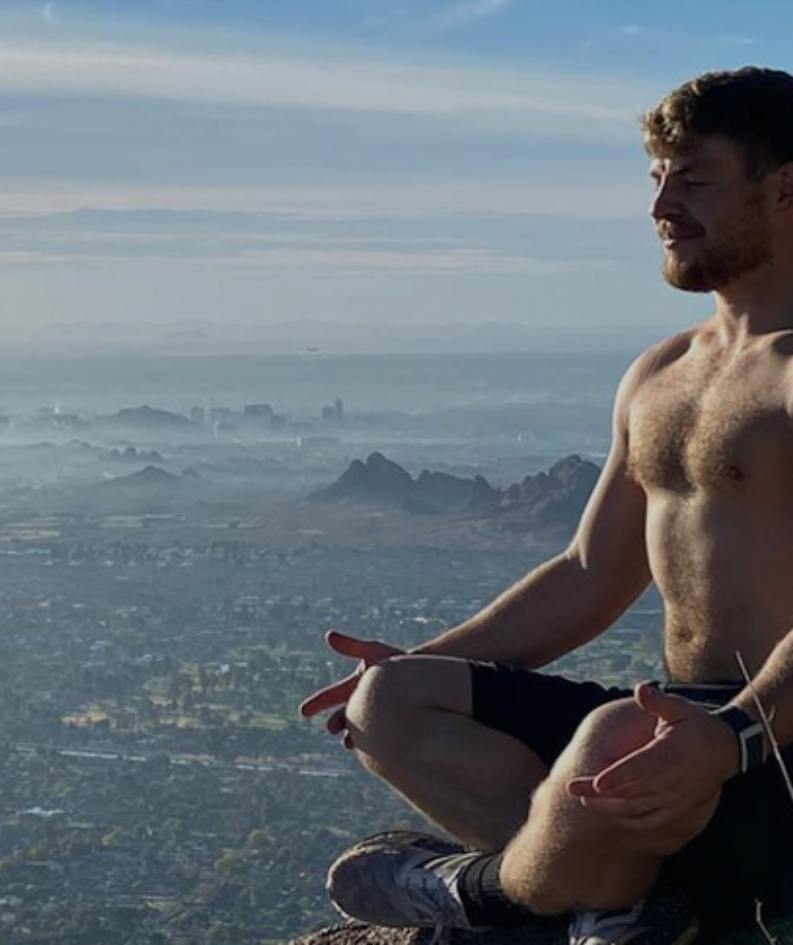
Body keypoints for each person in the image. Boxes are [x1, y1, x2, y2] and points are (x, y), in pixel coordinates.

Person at [298, 67, 793, 945]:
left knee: (613, 734)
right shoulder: (663, 372)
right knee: (391, 704)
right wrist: (413, 665)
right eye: (657, 179)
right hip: (681, 730)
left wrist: (732, 737)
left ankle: (475, 892)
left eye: (693, 179)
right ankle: (628, 903)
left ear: (784, 186)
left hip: (771, 743)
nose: (661, 207)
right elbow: (590, 572)